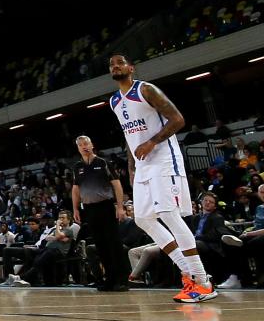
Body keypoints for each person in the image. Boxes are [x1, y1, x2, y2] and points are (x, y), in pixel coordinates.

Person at [108, 53, 216, 302]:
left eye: (120, 63)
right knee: (144, 219)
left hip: (164, 159)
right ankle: (187, 272)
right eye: (111, 65)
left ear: (131, 68)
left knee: (169, 215)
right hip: (143, 165)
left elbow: (178, 119)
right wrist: (132, 167)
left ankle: (202, 281)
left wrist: (152, 141)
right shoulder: (115, 101)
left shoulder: (146, 89)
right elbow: (128, 137)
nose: (115, 66)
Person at [71, 136, 129, 291]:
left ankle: (122, 279)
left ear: (92, 145)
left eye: (86, 144)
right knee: (100, 245)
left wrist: (120, 207)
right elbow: (76, 189)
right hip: (89, 209)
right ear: (78, 148)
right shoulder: (77, 167)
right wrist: (75, 208)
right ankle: (109, 279)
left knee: (113, 243)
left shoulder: (103, 163)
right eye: (81, 145)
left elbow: (117, 185)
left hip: (106, 206)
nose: (84, 147)